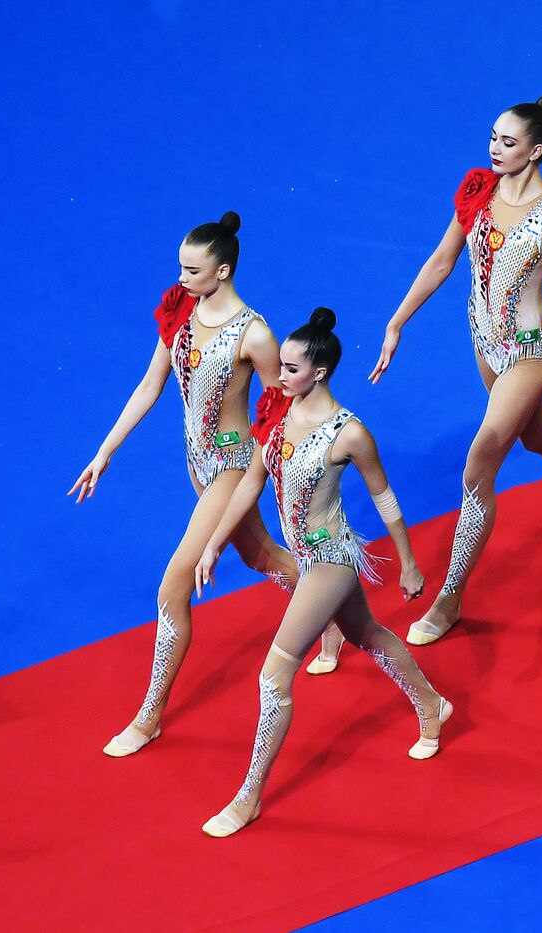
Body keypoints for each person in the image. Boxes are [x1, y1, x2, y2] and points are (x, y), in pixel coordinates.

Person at [69, 212, 346, 761]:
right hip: (196, 463)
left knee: (173, 585)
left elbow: (280, 409)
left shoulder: (255, 334)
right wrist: (104, 453)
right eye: (179, 267)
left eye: (191, 270)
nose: (180, 278)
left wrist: (297, 478)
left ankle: (150, 716)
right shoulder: (180, 314)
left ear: (221, 270)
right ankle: (331, 616)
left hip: (234, 467)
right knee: (259, 553)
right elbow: (151, 385)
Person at [370, 95, 542, 646]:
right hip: (485, 344)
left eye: (508, 143)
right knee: (541, 439)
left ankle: (450, 598)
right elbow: (442, 260)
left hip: (530, 352)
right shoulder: (478, 192)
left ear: (536, 150)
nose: (494, 148)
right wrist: (397, 323)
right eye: (492, 137)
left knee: (479, 460)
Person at [195, 307, 450, 837]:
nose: (278, 376)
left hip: (332, 560)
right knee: (368, 634)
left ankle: (249, 797)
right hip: (308, 560)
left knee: (273, 674)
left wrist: (407, 562)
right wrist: (215, 544)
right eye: (281, 368)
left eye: (290, 369)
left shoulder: (349, 433)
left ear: (321, 372)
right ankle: (432, 703)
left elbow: (385, 499)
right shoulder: (277, 415)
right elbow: (250, 486)